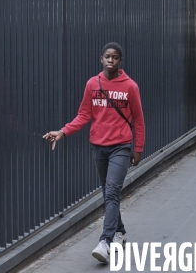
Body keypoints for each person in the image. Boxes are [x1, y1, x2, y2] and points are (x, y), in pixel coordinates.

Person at [43, 42, 145, 264]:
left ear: (120, 61)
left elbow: (138, 119)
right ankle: (120, 232)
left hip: (121, 146)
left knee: (111, 191)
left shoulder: (130, 87)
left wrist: (137, 149)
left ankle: (105, 242)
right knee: (108, 192)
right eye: (107, 56)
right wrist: (62, 132)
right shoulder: (92, 84)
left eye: (115, 57)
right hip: (98, 146)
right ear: (101, 59)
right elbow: (83, 115)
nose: (111, 60)